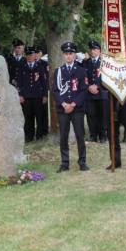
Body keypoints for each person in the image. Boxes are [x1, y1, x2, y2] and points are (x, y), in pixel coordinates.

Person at [51, 42, 89, 172]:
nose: (68, 56)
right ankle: (64, 163)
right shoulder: (58, 71)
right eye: (66, 54)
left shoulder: (81, 71)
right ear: (63, 55)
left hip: (77, 108)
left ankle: (82, 162)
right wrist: (63, 104)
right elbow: (55, 90)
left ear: (74, 55)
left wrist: (73, 104)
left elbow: (84, 90)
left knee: (79, 135)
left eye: (70, 53)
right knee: (63, 136)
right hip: (63, 109)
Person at [17, 46, 47, 143]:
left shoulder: (40, 66)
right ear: (26, 56)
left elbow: (44, 82)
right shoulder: (22, 67)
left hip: (38, 96)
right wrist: (20, 95)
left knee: (39, 117)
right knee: (28, 117)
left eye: (32, 54)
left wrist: (45, 95)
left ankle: (39, 135)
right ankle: (29, 136)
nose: (30, 56)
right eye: (28, 55)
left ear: (35, 55)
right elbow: (19, 82)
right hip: (26, 97)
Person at [84, 40, 108, 143]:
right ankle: (93, 135)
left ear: (99, 51)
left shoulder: (105, 63)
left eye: (95, 49)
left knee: (102, 115)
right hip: (89, 94)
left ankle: (103, 135)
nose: (92, 51)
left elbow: (108, 77)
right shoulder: (85, 63)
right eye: (91, 49)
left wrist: (97, 86)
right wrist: (89, 86)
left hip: (102, 93)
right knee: (91, 115)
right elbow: (82, 78)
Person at [34, 45, 49, 139]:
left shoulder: (44, 63)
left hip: (42, 90)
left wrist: (45, 93)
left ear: (41, 54)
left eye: (38, 52)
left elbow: (46, 78)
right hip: (33, 93)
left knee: (44, 112)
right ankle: (39, 131)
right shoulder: (29, 62)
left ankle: (44, 130)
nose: (36, 54)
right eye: (35, 53)